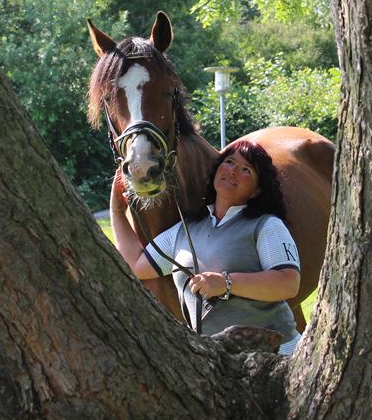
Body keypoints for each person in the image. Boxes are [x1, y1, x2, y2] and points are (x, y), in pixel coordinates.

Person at [110, 139, 302, 354]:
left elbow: (288, 284)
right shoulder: (185, 230)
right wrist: (117, 211)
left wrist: (226, 283)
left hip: (279, 355)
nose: (233, 171)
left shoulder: (267, 225)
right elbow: (135, 265)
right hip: (218, 362)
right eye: (229, 162)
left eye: (246, 169)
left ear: (257, 190)